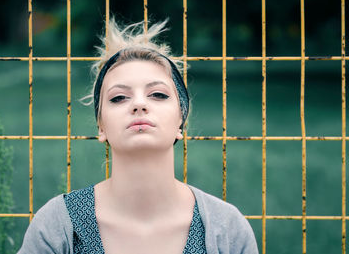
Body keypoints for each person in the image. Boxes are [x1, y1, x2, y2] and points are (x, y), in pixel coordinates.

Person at [17, 18, 259, 254]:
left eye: (158, 94)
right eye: (119, 97)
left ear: (180, 122)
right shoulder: (58, 224)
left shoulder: (227, 228)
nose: (139, 104)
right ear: (101, 127)